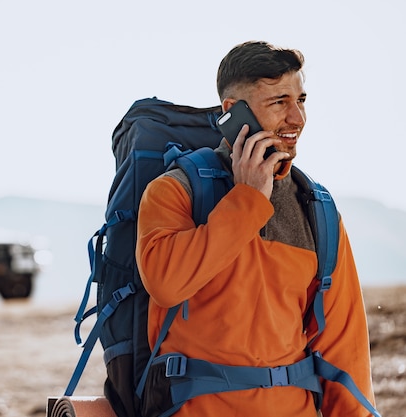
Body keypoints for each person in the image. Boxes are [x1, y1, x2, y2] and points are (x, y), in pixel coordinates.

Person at [135, 41, 376, 417]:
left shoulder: (317, 209)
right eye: (280, 102)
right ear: (234, 112)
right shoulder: (173, 190)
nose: (297, 118)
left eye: (301, 99)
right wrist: (247, 201)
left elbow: (345, 348)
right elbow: (166, 283)